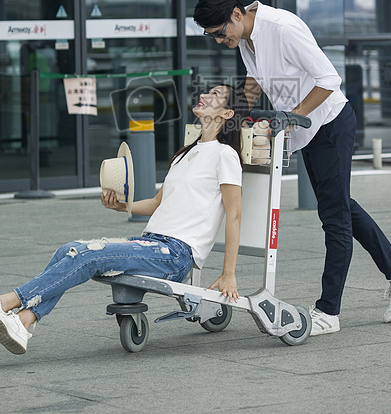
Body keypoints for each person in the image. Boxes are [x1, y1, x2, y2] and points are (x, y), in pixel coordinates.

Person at [193, 0, 391, 336]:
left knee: (335, 218)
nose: (219, 41)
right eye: (212, 37)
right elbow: (254, 83)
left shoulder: (283, 28)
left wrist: (293, 115)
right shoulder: (247, 39)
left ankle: (329, 312)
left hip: (329, 125)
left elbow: (329, 79)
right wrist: (230, 125)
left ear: (237, 14)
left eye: (220, 33)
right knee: (341, 206)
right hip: (306, 131)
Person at [0, 84, 248, 355]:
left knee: (86, 255)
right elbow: (156, 203)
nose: (204, 95)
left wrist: (228, 274)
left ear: (227, 113)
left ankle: (7, 302)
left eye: (214, 95)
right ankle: (23, 322)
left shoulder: (225, 155)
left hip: (175, 253)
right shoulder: (185, 154)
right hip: (150, 243)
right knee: (67, 251)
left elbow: (234, 215)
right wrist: (122, 206)